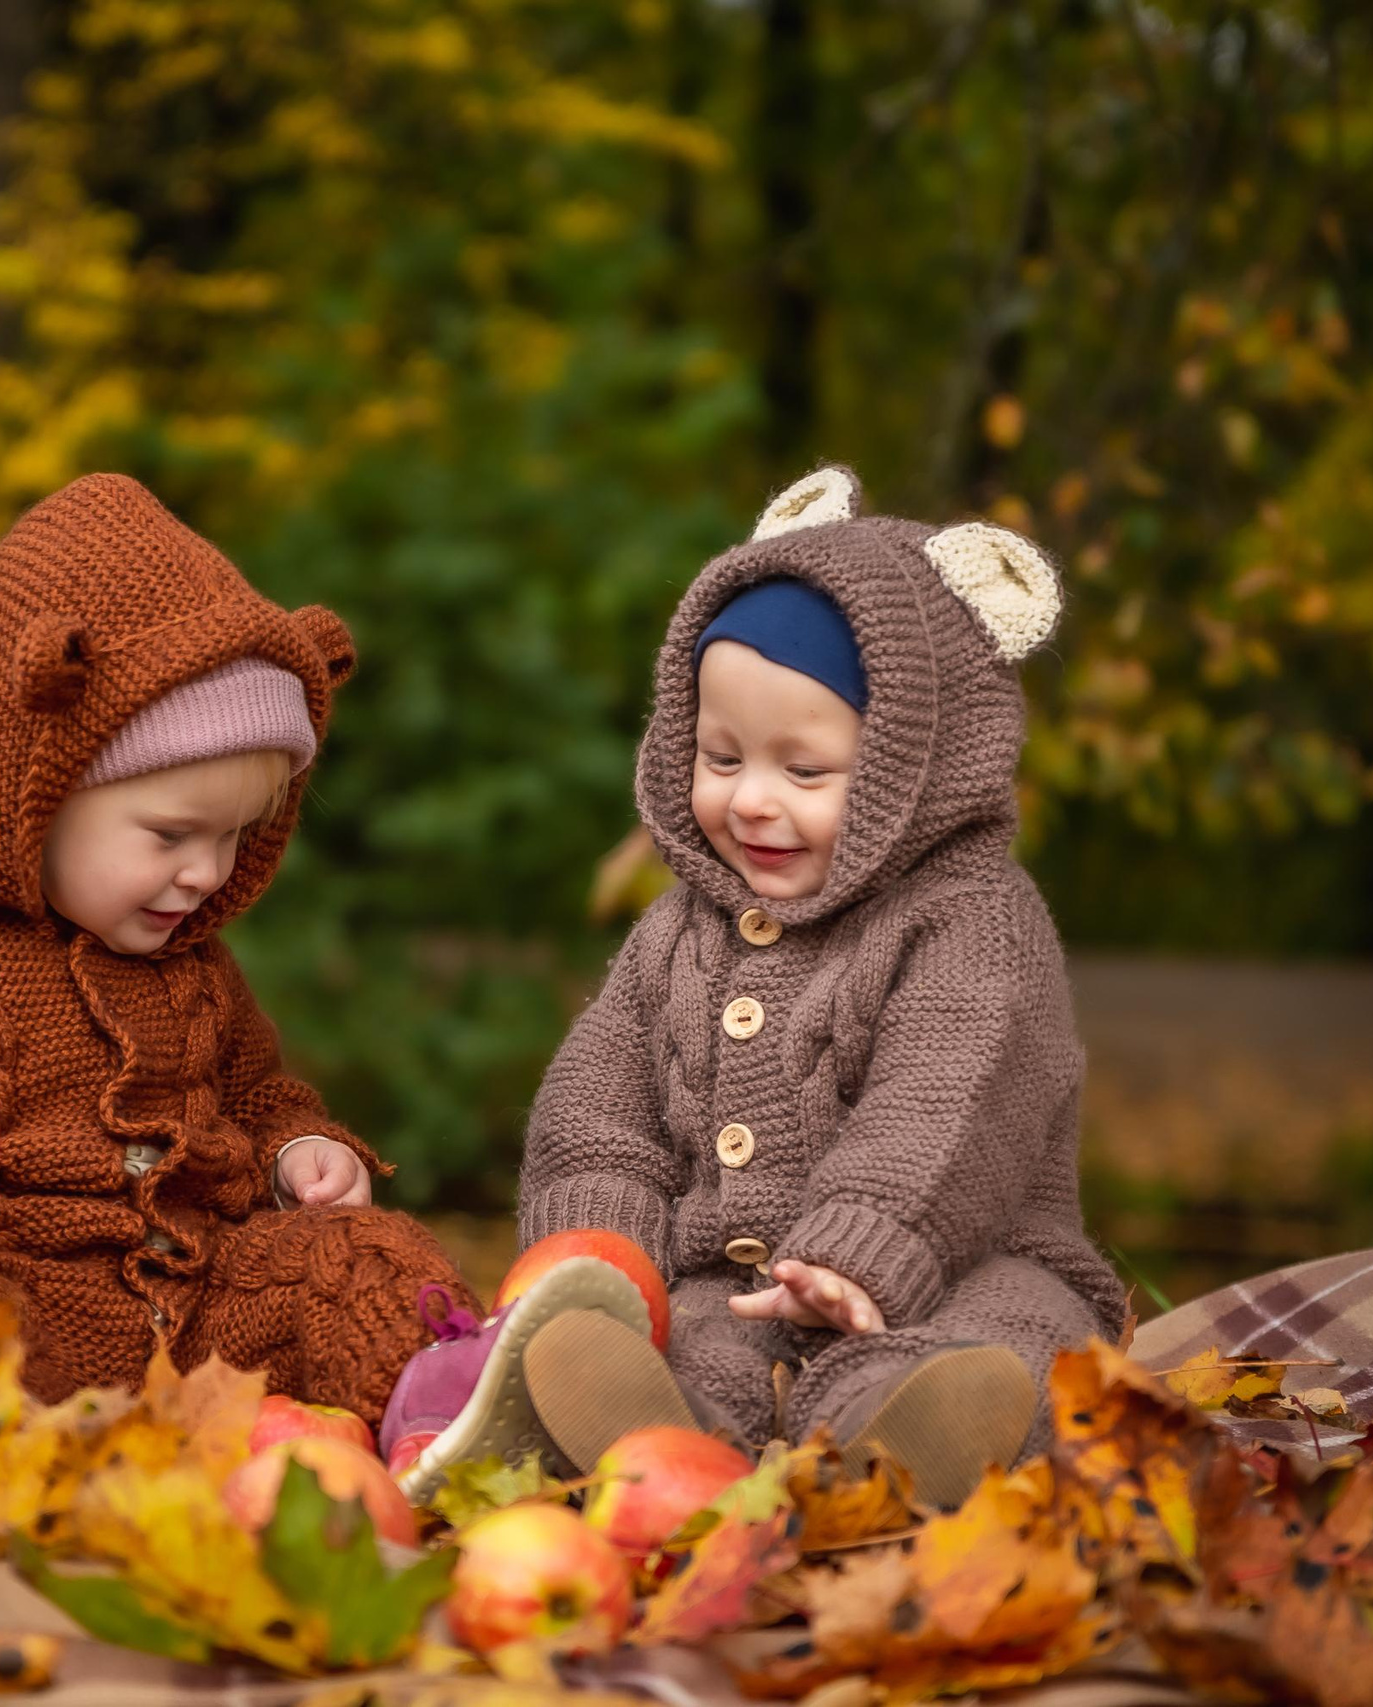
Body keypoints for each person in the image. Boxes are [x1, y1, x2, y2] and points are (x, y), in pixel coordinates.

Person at [0, 473, 492, 1427]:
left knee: (364, 1258)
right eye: (169, 835)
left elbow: (260, 1098)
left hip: (201, 1305)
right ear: (32, 797)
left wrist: (301, 1150)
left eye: (236, 836)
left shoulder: (199, 976)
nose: (206, 873)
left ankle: (453, 1413)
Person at [478, 466, 1127, 1506]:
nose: (751, 803)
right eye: (721, 756)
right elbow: (600, 1097)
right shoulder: (680, 930)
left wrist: (861, 1251)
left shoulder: (973, 922)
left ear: (913, 771)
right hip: (729, 1290)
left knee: (1016, 1343)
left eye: (805, 772)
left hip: (956, 1264)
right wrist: (596, 1249)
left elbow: (949, 1098)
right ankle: (658, 1438)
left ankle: (907, 1439)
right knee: (692, 1351)